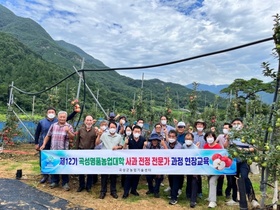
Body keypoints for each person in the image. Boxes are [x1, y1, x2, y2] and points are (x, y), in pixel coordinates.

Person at [34, 107, 77, 184]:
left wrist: (69, 131)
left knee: (63, 165)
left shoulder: (68, 126)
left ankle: (64, 182)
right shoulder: (48, 124)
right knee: (50, 162)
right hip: (52, 147)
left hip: (63, 149)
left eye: (64, 117)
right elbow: (45, 135)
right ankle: (50, 178)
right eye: (61, 117)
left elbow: (72, 137)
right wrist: (40, 144)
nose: (62, 118)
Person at [224, 118, 260, 208]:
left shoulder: (247, 136)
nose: (236, 125)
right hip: (233, 161)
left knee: (244, 177)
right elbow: (225, 147)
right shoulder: (231, 135)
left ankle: (252, 199)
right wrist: (228, 139)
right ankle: (234, 199)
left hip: (244, 160)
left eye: (238, 123)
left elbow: (253, 148)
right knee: (233, 179)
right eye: (234, 123)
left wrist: (243, 149)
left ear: (242, 125)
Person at [95, 121, 123, 199]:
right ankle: (103, 191)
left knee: (113, 176)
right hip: (105, 158)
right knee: (104, 175)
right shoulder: (104, 135)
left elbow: (121, 146)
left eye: (114, 127)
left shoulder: (119, 136)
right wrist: (98, 135)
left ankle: (113, 191)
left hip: (114, 158)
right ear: (109, 128)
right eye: (111, 127)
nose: (112, 129)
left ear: (116, 128)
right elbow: (97, 143)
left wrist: (117, 147)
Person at [122, 125, 145, 199]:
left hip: (139, 161)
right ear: (132, 131)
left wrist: (145, 145)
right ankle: (126, 192)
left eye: (138, 131)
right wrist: (125, 143)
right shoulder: (129, 139)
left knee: (137, 176)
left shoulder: (143, 139)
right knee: (129, 176)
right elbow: (124, 149)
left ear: (141, 132)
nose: (137, 133)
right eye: (135, 131)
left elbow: (145, 151)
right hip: (130, 161)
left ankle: (133, 190)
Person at [75, 115, 97, 193]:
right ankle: (81, 185)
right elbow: (77, 141)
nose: (89, 122)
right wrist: (76, 151)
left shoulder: (95, 131)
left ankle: (89, 186)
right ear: (84, 121)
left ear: (93, 121)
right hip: (81, 151)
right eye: (87, 120)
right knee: (81, 170)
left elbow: (96, 142)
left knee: (90, 170)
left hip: (91, 152)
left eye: (90, 120)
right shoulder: (80, 130)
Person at [144, 133, 167, 198]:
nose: (154, 141)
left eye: (156, 140)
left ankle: (156, 191)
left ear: (158, 141)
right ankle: (151, 189)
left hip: (159, 166)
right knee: (148, 177)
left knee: (159, 177)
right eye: (153, 140)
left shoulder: (161, 147)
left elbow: (165, 155)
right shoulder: (148, 146)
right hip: (150, 165)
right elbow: (143, 154)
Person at [203, 131, 223, 208]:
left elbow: (221, 158)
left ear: (214, 138)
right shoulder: (205, 146)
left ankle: (213, 201)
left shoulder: (218, 147)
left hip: (217, 169)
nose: (209, 138)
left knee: (212, 181)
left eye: (211, 137)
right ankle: (210, 197)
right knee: (209, 181)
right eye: (208, 137)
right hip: (209, 168)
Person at [165, 130, 183, 205]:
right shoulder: (167, 144)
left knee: (175, 181)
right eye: (170, 136)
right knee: (171, 180)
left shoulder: (179, 146)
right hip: (169, 167)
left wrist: (164, 146)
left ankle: (174, 198)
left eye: (173, 137)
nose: (171, 138)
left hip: (177, 167)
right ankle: (172, 193)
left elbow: (171, 154)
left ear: (176, 137)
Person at [182, 132, 199, 208]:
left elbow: (198, 160)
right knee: (189, 180)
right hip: (187, 167)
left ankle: (193, 200)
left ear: (192, 140)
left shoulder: (196, 148)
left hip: (194, 168)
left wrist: (195, 171)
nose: (187, 140)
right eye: (186, 139)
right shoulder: (183, 146)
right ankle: (188, 194)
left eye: (189, 139)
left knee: (194, 182)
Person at [216, 122, 232, 197]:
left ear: (230, 129)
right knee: (220, 175)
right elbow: (215, 143)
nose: (224, 129)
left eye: (226, 128)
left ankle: (228, 192)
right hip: (221, 157)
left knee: (230, 176)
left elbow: (226, 146)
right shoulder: (220, 136)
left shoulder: (233, 137)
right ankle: (219, 191)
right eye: (224, 128)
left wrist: (228, 138)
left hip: (229, 158)